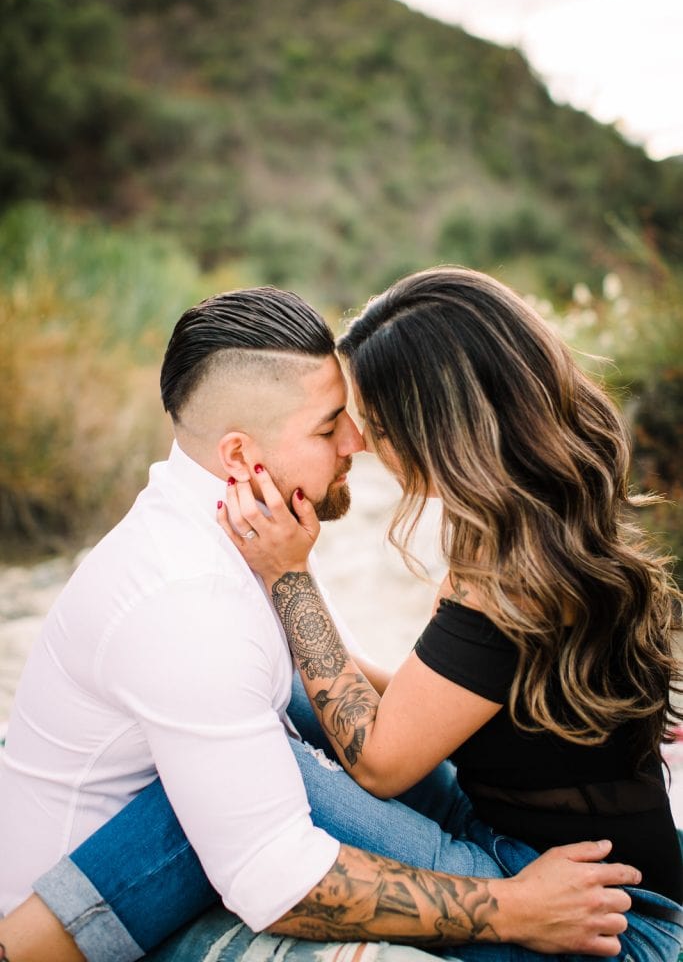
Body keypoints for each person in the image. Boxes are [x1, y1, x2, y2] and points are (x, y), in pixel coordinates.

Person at [0, 286, 640, 962]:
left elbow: (368, 725)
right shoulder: (195, 597)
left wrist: (289, 577)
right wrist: (510, 908)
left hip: (588, 887)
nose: (357, 442)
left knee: (259, 756)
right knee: (246, 771)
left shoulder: (247, 538)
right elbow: (276, 865)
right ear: (242, 456)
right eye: (329, 423)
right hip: (86, 903)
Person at [216, 267, 683, 960]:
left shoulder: (514, 582)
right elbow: (419, 702)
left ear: (440, 426)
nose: (356, 442)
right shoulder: (530, 530)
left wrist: (290, 578)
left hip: (611, 921)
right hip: (507, 833)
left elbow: (378, 764)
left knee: (232, 764)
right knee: (260, 695)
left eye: (371, 422)